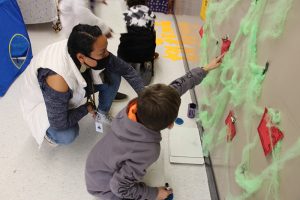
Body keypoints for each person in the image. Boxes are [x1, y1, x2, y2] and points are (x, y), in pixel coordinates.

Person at [85, 54, 224, 199]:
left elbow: (177, 87)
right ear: (171, 125)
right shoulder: (149, 150)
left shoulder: (136, 107)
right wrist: (154, 193)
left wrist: (205, 69)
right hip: (104, 187)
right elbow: (119, 187)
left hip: (95, 164)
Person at [20, 24, 145, 146]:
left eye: (106, 48)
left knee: (113, 74)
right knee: (67, 134)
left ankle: (102, 114)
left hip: (69, 87)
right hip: (45, 101)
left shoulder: (83, 45)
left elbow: (127, 70)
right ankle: (51, 135)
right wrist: (87, 108)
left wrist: (145, 96)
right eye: (102, 53)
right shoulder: (57, 79)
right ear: (81, 57)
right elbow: (59, 123)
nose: (108, 55)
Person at [117, 0, 157, 85]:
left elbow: (121, 34)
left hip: (125, 53)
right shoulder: (150, 13)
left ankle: (126, 63)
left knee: (127, 39)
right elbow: (151, 32)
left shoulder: (124, 14)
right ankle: (147, 62)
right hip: (146, 53)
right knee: (151, 34)